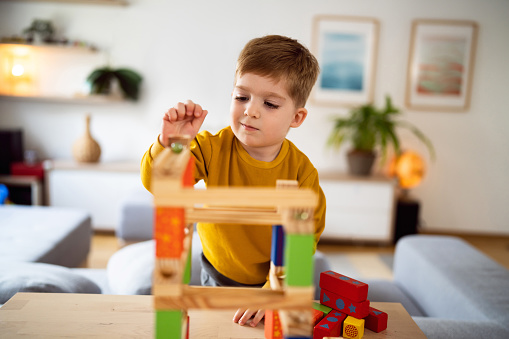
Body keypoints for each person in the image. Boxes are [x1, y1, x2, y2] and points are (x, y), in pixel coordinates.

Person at [140, 34, 326, 328]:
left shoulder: (303, 173)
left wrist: (272, 292)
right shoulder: (210, 147)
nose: (250, 110)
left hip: (271, 283)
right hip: (216, 275)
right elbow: (159, 184)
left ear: (297, 117)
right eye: (242, 97)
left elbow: (302, 244)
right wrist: (172, 144)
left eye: (270, 104)